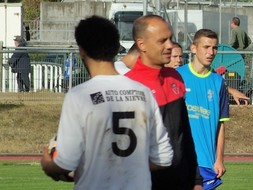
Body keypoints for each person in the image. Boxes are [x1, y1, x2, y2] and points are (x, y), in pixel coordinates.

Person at [40, 15, 173, 190]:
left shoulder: (79, 95)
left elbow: (66, 163)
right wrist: (129, 166)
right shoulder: (143, 93)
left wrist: (48, 165)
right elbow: (163, 158)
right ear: (117, 47)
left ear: (82, 51)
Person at [125, 15, 201, 190]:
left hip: (181, 181)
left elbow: (185, 135)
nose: (170, 46)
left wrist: (196, 180)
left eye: (170, 39)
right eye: (162, 41)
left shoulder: (175, 78)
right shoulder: (128, 88)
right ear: (141, 44)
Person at [176, 29, 230, 190]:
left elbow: (221, 124)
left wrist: (219, 159)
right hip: (181, 160)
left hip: (206, 162)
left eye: (214, 48)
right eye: (206, 47)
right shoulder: (176, 76)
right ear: (193, 48)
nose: (211, 52)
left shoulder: (218, 82)